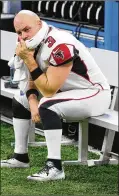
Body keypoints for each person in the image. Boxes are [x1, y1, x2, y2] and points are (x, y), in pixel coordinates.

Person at [1, 10, 111, 181]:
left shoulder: (60, 43)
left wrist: (29, 61)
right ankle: (20, 156)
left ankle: (55, 167)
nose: (23, 35)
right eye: (19, 32)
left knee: (47, 104)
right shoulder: (31, 39)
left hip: (94, 94)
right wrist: (31, 101)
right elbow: (32, 77)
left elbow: (49, 90)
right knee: (19, 100)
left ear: (39, 23)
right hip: (68, 91)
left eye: (26, 29)